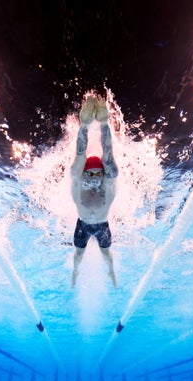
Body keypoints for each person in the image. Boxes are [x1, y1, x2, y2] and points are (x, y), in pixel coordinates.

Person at [70, 95, 119, 288]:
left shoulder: (108, 181)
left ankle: (111, 272)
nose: (94, 177)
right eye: (89, 174)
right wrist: (84, 126)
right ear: (84, 173)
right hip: (82, 225)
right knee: (79, 254)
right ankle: (75, 272)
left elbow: (108, 155)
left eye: (98, 173)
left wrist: (104, 125)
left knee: (106, 254)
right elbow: (80, 155)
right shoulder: (77, 178)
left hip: (101, 225)